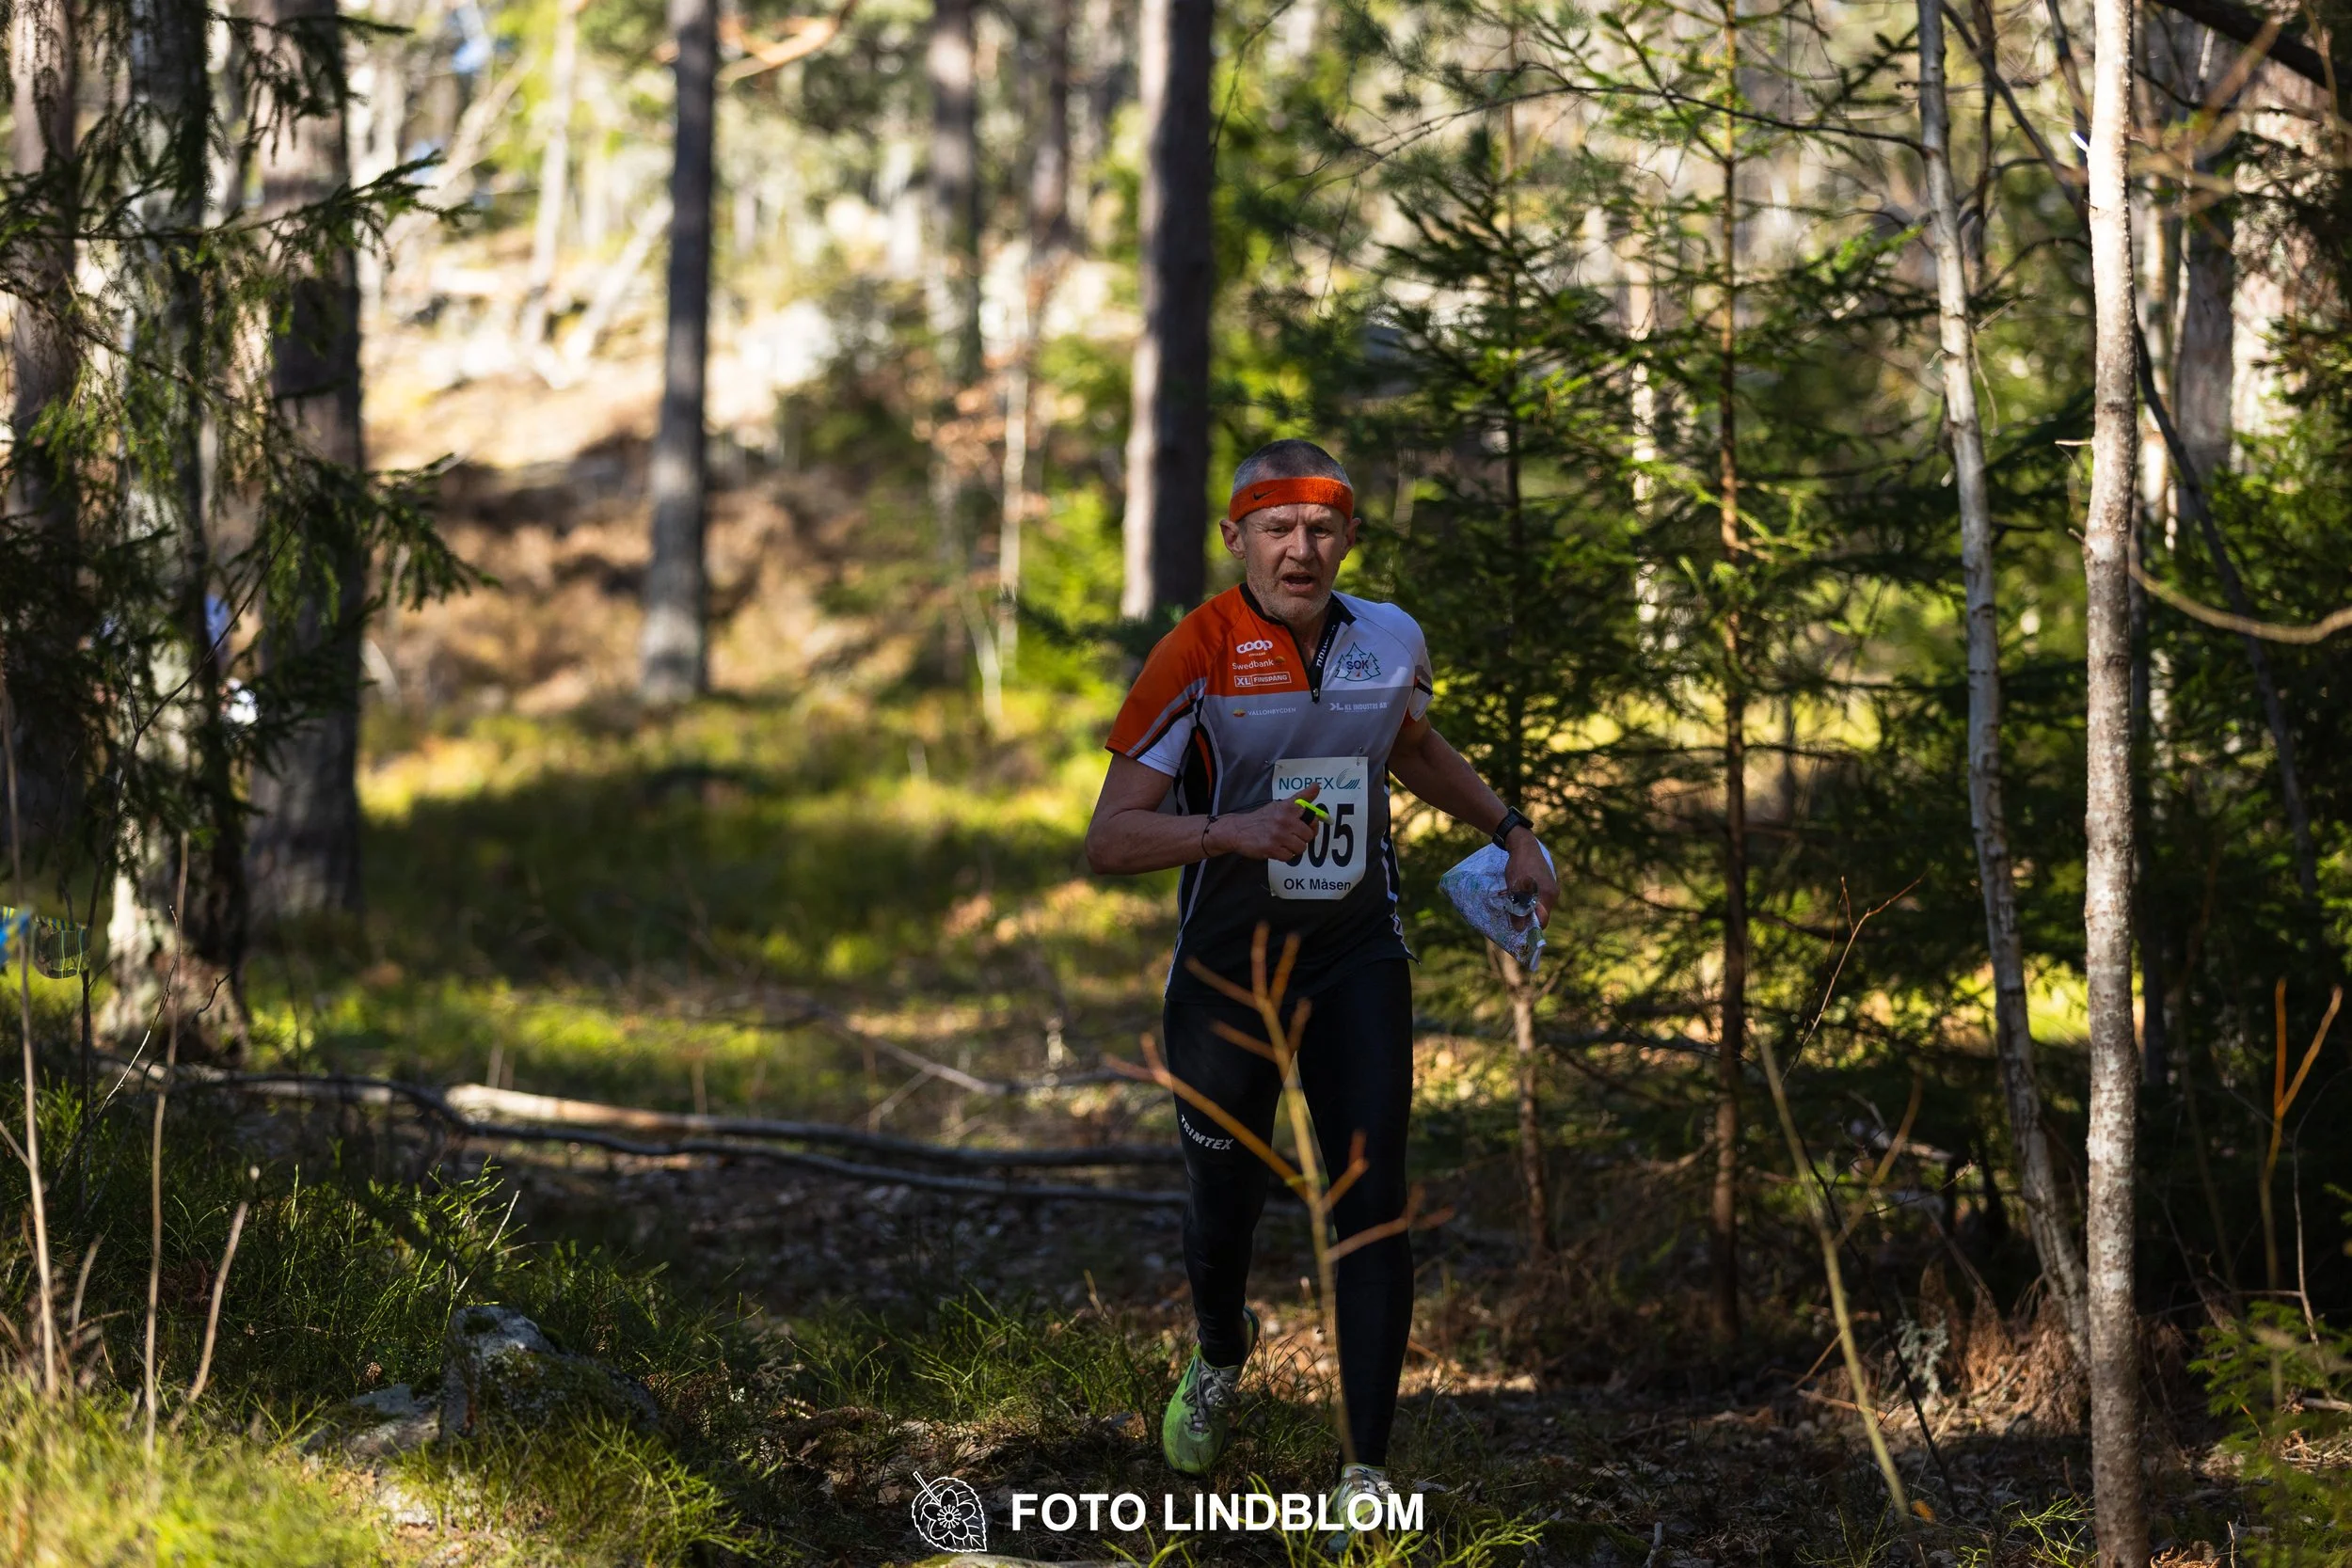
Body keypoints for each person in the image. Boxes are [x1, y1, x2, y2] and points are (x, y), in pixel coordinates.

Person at [1085, 437, 1557, 1542]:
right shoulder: (1193, 652)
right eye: (1276, 528)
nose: (1299, 549)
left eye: (1320, 528)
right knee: (1224, 1203)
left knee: (1369, 1196)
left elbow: (1412, 747)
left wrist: (1511, 828)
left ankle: (1363, 1469)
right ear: (1236, 537)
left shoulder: (1388, 639)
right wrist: (1233, 830)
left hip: (1355, 955)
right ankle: (1220, 1348)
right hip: (1226, 968)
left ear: (1347, 536)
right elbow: (1110, 838)